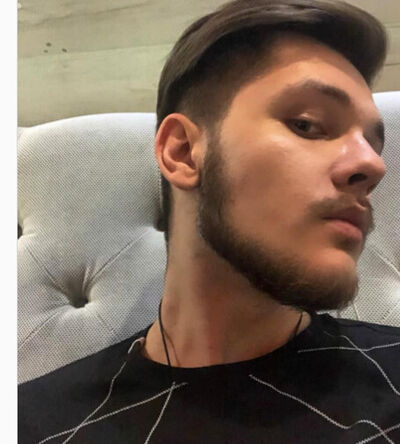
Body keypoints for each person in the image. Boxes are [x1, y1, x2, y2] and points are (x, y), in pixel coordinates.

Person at [18, 0, 400, 443]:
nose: (372, 166)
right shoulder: (31, 421)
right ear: (182, 152)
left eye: (373, 144)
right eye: (307, 124)